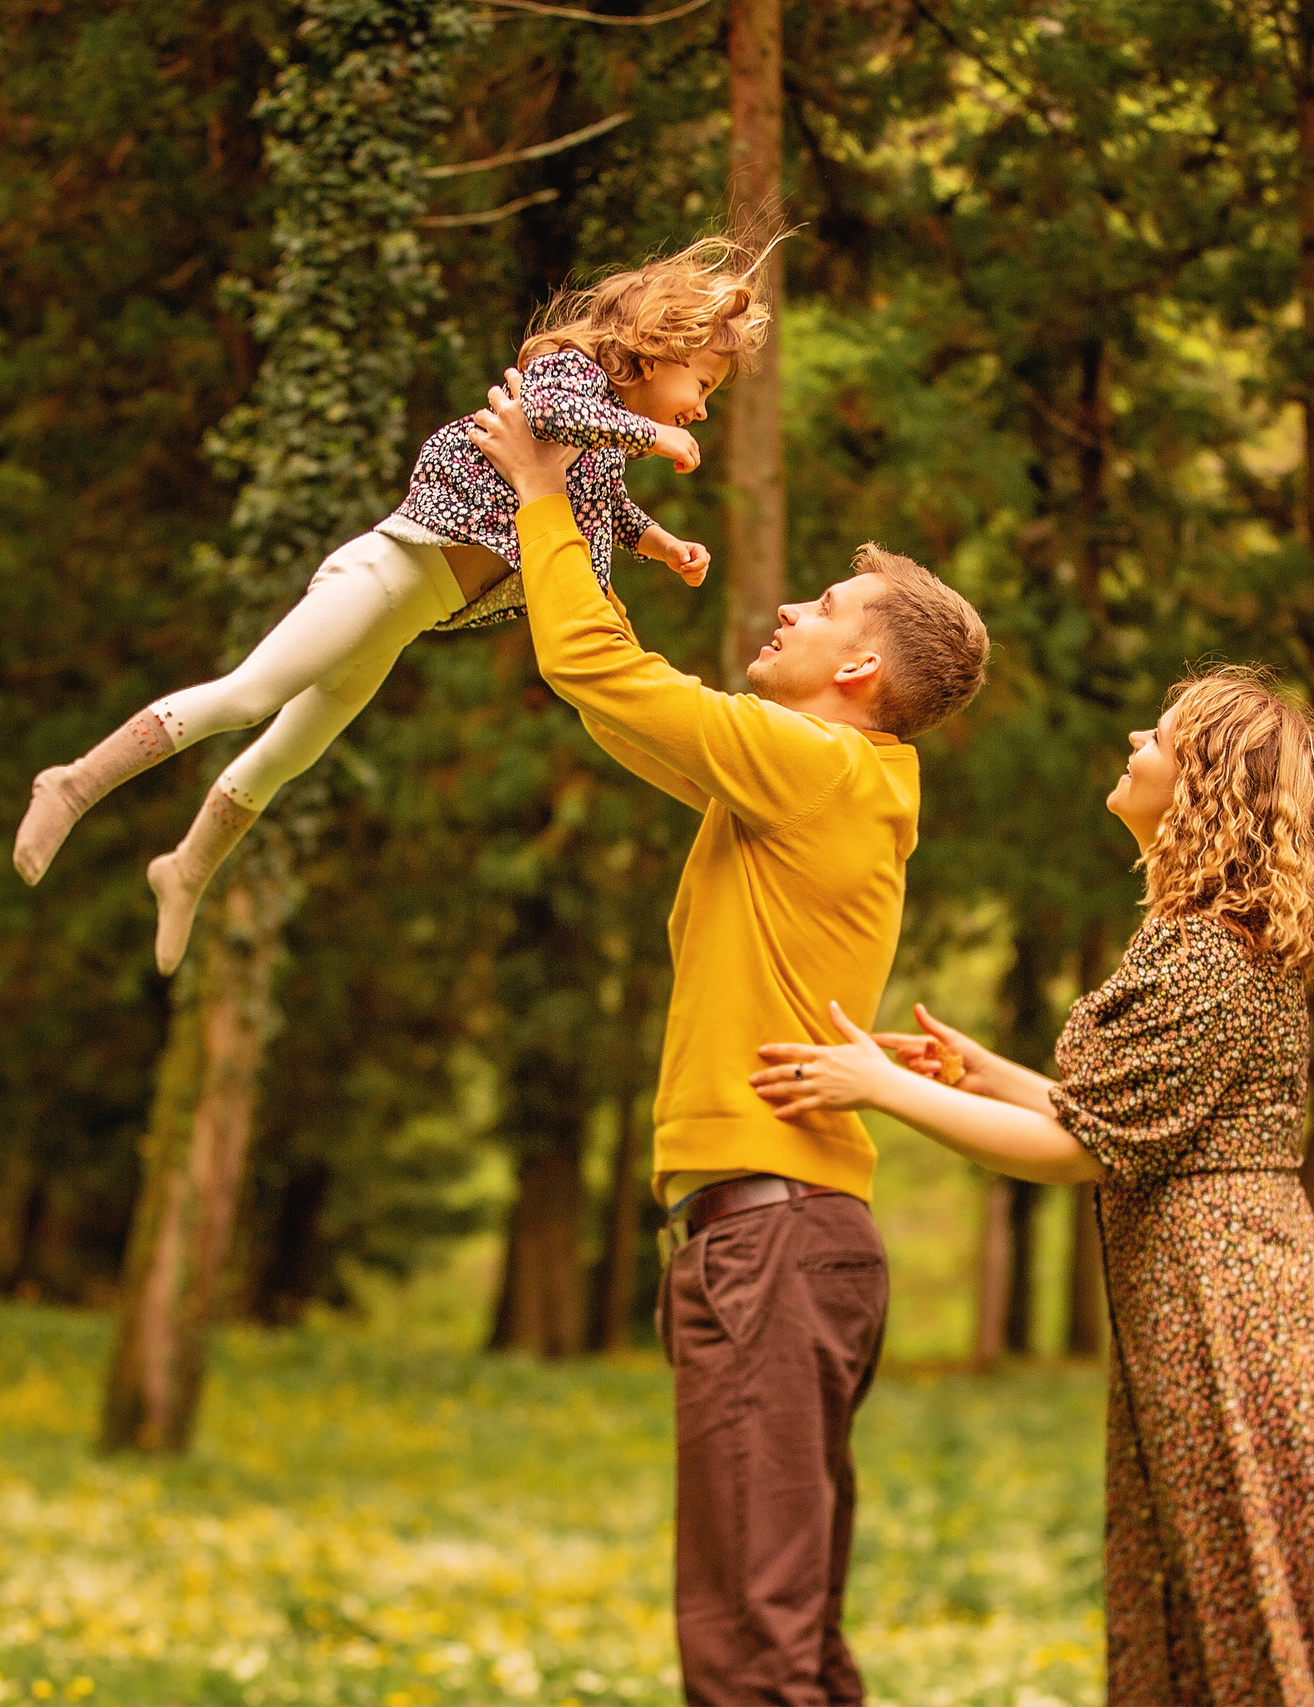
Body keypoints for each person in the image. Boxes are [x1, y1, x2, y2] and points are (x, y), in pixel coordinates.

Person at [465, 370, 991, 1705]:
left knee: (754, 1643)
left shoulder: (816, 766)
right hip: (760, 1230)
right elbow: (610, 702)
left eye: (818, 608)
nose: (788, 610)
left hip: (773, 1232)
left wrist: (539, 494)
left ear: (859, 668)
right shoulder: (799, 781)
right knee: (778, 1628)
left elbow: (593, 661)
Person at [751, 667, 1314, 1706]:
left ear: (1203, 785)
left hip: (1233, 1319)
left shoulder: (1201, 958)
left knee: (1255, 1590)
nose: (1138, 735)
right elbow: (1125, 1122)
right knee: (1219, 1589)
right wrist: (982, 1075)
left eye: (1165, 734)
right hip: (1218, 1301)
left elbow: (1084, 1152)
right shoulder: (1209, 947)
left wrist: (877, 1087)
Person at [10, 237, 769, 974]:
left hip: (408, 614)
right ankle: (73, 782)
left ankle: (185, 867)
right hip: (384, 572)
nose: (700, 410)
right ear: (660, 344)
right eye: (702, 385)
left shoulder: (603, 444)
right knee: (249, 695)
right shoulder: (567, 378)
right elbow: (548, 420)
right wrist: (651, 434)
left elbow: (603, 502)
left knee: (289, 752)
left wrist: (663, 544)